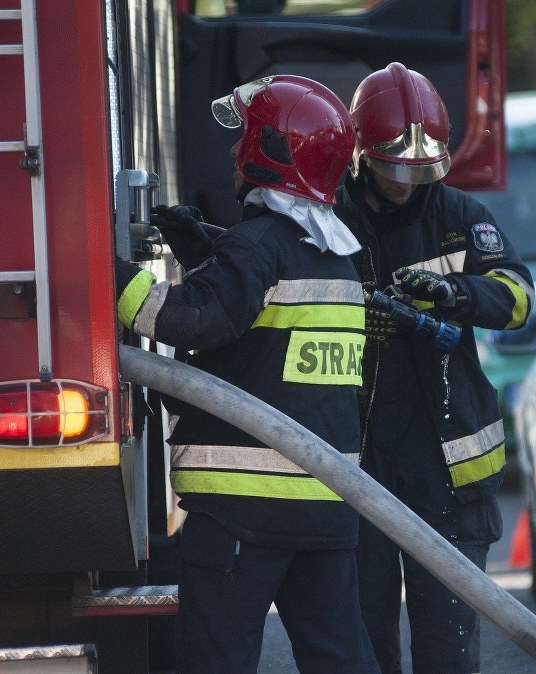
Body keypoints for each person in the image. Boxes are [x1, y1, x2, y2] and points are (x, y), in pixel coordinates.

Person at [113, 74, 377, 673]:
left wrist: (102, 270)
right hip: (326, 507)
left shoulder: (258, 246)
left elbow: (192, 317)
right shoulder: (338, 257)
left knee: (218, 662)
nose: (236, 153)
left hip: (242, 512)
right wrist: (208, 253)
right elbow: (265, 335)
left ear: (270, 152)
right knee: (338, 660)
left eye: (246, 139)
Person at [333, 62, 534, 674]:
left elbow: (518, 296)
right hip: (355, 463)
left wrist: (456, 295)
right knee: (364, 644)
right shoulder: (330, 220)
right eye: (396, 166)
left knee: (448, 644)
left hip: (447, 472)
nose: (408, 181)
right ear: (362, 154)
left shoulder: (458, 216)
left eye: (422, 168)